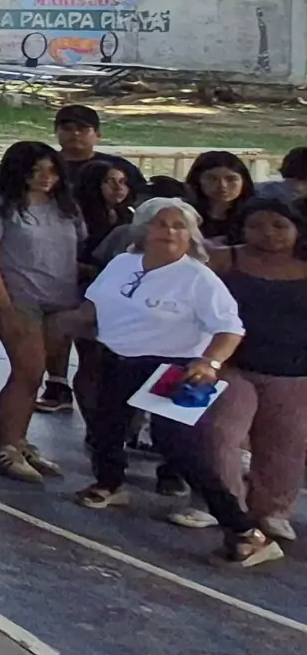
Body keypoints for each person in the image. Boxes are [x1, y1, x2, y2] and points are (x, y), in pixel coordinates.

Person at [70, 199, 272, 565]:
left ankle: (244, 529)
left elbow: (230, 328)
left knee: (177, 444)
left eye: (179, 226)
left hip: (174, 368)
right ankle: (110, 483)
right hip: (118, 357)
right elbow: (92, 307)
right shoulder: (122, 264)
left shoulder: (198, 278)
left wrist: (209, 362)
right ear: (144, 230)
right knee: (105, 425)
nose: (169, 232)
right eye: (161, 224)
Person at [0, 141, 87, 483]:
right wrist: (4, 306)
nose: (45, 178)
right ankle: (6, 447)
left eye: (51, 170)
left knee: (38, 374)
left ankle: (21, 441)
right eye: (35, 171)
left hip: (60, 299)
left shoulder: (66, 207)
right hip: (19, 298)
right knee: (27, 371)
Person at [203, 200, 307, 549]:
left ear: (297, 229)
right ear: (242, 228)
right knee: (222, 435)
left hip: (293, 371)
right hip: (230, 367)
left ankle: (273, 510)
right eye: (257, 225)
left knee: (285, 445)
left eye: (279, 226)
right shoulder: (221, 260)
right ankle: (226, 505)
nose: (268, 234)